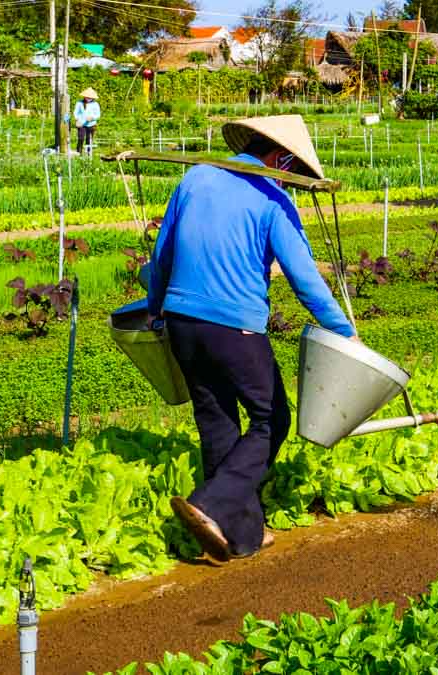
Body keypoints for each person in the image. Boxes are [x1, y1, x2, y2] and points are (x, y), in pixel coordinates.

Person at [146, 115, 357, 561]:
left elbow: (161, 254)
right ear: (280, 158)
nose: (293, 183)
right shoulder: (272, 198)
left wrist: (155, 309)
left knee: (218, 420)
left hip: (182, 323)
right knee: (271, 418)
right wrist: (343, 331)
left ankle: (240, 537)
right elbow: (304, 279)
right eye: (292, 172)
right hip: (234, 327)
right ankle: (209, 503)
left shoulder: (196, 176)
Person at [74, 88, 101, 155]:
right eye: (87, 96)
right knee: (81, 138)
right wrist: (77, 119)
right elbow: (76, 112)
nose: (88, 98)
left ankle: (89, 153)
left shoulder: (95, 104)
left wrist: (92, 118)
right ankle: (79, 152)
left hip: (91, 124)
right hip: (81, 123)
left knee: (89, 139)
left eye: (90, 97)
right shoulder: (79, 103)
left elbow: (98, 115)